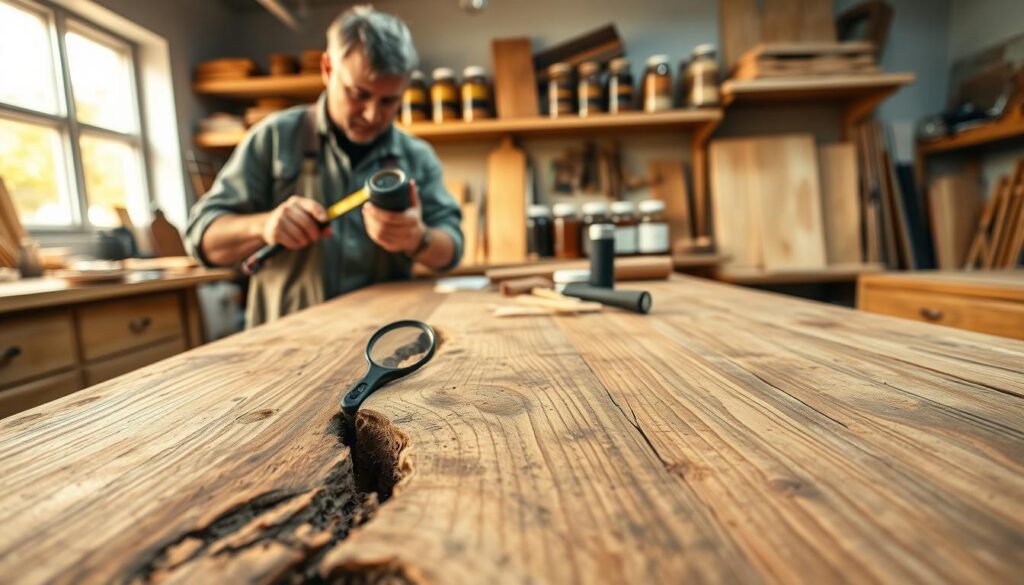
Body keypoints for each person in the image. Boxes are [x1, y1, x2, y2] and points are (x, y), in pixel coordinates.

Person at [185, 5, 462, 327]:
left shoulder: (417, 156)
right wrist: (264, 226)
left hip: (386, 344)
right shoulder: (274, 138)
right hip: (285, 347)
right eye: (359, 94)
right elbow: (201, 237)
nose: (373, 115)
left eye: (389, 101)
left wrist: (418, 238)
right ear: (328, 69)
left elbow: (452, 248)